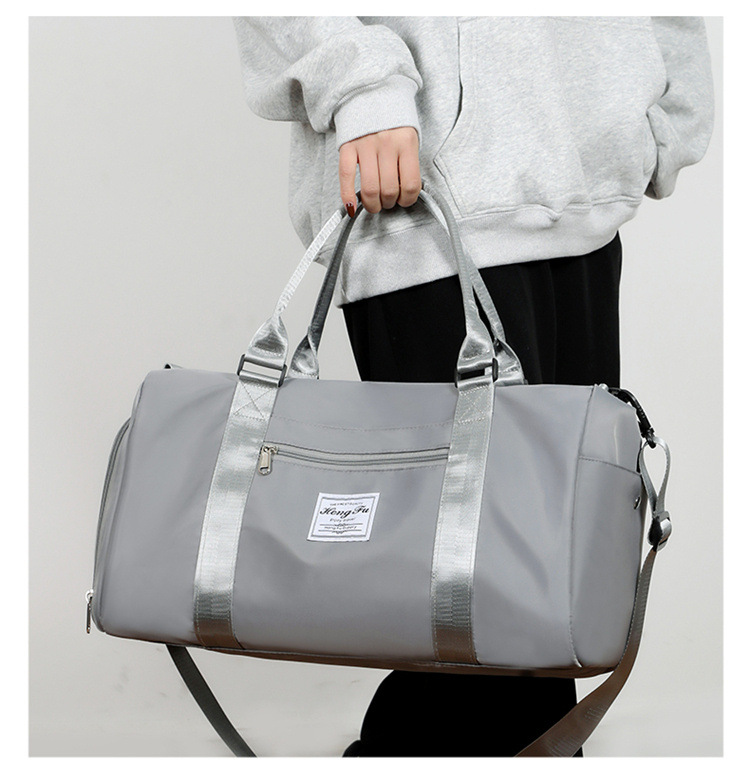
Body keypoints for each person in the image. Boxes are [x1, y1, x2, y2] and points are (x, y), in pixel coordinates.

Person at [231, 16, 714, 757]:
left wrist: (664, 102)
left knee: (550, 566)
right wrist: (364, 85)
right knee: (479, 577)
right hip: (422, 190)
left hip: (582, 187)